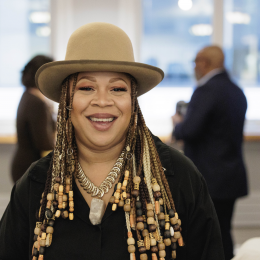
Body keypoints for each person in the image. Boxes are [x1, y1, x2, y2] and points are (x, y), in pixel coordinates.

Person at [0, 23, 224, 260]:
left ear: (132, 101)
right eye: (87, 87)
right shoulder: (36, 184)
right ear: (67, 99)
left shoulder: (178, 177)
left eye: (117, 89)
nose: (103, 101)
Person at [172, 46, 248, 260]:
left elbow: (190, 130)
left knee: (205, 236)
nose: (194, 67)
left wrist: (178, 124)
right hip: (231, 175)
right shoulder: (236, 90)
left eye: (195, 62)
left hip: (209, 176)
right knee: (223, 231)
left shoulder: (206, 91)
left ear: (203, 63)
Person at [11, 55, 56, 183]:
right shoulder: (36, 102)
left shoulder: (29, 95)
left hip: (24, 163)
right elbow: (43, 142)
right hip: (29, 167)